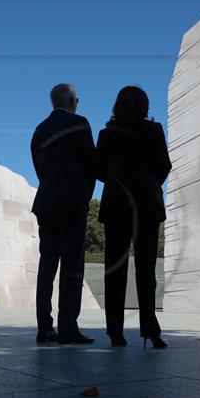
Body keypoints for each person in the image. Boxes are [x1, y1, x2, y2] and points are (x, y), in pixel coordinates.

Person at [94, 86, 171, 349]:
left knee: (114, 269)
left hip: (116, 204)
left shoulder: (107, 134)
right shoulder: (154, 130)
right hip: (147, 205)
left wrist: (118, 181)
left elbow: (99, 171)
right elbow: (165, 165)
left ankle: (115, 332)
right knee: (146, 269)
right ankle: (150, 329)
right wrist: (149, 184)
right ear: (145, 105)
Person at [30, 83, 96, 345]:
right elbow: (90, 164)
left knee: (47, 265)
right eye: (77, 99)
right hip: (72, 202)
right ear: (71, 101)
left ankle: (45, 328)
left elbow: (40, 169)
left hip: (46, 202)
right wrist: (85, 195)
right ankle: (68, 328)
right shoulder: (80, 123)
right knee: (71, 266)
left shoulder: (39, 130)